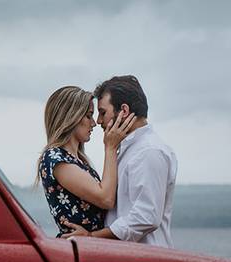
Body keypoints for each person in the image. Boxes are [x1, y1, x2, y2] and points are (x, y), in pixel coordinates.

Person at [63, 75, 178, 248]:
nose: (99, 121)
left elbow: (146, 217)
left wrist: (91, 237)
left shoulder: (149, 151)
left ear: (123, 110)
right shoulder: (127, 149)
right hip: (129, 259)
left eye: (102, 113)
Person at [38, 86, 134, 237]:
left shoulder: (78, 160)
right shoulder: (55, 159)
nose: (94, 123)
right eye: (89, 116)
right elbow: (106, 199)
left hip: (90, 247)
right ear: (71, 117)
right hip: (77, 250)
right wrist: (110, 148)